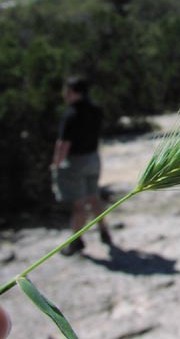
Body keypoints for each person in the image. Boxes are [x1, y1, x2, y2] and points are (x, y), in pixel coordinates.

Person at [51, 76, 112, 256]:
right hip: (93, 159)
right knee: (94, 197)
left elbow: (63, 144)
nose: (64, 94)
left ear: (73, 92)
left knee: (78, 205)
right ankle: (104, 231)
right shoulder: (96, 110)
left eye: (66, 90)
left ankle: (76, 241)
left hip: (75, 162)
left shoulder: (71, 114)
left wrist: (56, 164)